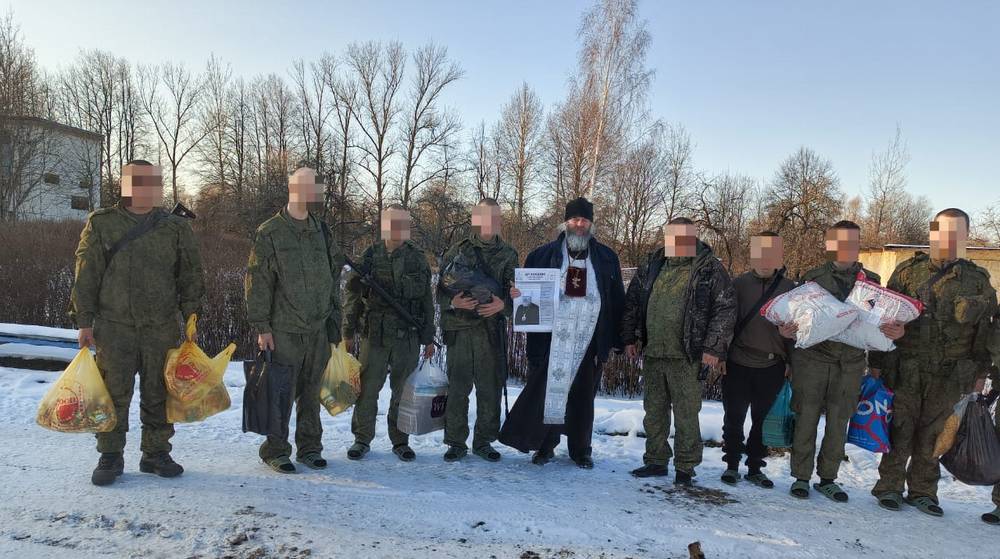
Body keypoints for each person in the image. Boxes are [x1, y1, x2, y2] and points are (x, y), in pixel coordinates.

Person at [69, 160, 204, 486]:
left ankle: (155, 453)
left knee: (159, 391)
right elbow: (86, 272)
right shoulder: (103, 223)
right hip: (115, 327)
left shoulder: (175, 227)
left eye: (154, 183)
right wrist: (84, 321)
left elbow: (190, 274)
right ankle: (111, 455)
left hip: (161, 326)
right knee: (114, 394)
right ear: (126, 186)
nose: (150, 189)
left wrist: (191, 317)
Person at [870, 208, 997, 516]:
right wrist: (877, 361)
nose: (949, 239)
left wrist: (980, 373)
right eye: (943, 231)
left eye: (957, 232)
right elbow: (881, 317)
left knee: (936, 434)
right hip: (907, 367)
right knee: (901, 428)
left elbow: (985, 330)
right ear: (933, 233)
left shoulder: (978, 280)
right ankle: (889, 486)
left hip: (951, 374)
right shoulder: (906, 272)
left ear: (965, 236)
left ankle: (923, 491)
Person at [499, 197, 625, 468]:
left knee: (582, 397)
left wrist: (615, 340)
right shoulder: (542, 255)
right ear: (565, 222)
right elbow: (524, 297)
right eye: (575, 219)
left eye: (585, 220)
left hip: (588, 339)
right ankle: (545, 447)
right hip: (550, 341)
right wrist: (517, 295)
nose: (580, 225)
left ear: (591, 224)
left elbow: (616, 300)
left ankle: (581, 449)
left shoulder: (605, 258)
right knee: (549, 394)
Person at [781, 220, 899, 502]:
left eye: (852, 243)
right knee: (806, 418)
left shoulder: (871, 281)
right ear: (828, 245)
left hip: (850, 363)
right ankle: (801, 476)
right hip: (813, 360)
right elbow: (799, 316)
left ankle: (828, 478)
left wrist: (878, 361)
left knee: (838, 421)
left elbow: (877, 323)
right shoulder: (812, 277)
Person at [620, 217, 737, 485]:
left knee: (686, 414)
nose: (679, 242)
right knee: (654, 411)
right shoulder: (652, 264)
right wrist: (629, 337)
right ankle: (656, 460)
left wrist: (713, 347)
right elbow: (633, 302)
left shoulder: (708, 267)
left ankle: (685, 466)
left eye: (685, 237)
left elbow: (725, 308)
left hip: (689, 355)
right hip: (653, 352)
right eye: (674, 236)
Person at [245, 167, 344, 474]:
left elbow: (332, 277)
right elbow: (257, 281)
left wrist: (333, 325)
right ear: (292, 189)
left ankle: (310, 448)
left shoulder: (322, 230)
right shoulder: (271, 231)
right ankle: (275, 450)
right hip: (284, 328)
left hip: (316, 327)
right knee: (281, 392)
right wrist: (262, 327)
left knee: (312, 391)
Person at [343, 205, 436, 462]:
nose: (398, 228)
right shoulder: (370, 257)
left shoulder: (417, 258)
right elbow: (353, 298)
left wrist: (428, 336)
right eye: (393, 222)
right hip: (376, 335)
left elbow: (427, 301)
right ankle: (362, 439)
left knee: (403, 392)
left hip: (407, 336)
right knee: (367, 390)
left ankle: (400, 440)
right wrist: (347, 331)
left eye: (403, 223)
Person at [438, 198, 518, 462]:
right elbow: (439, 290)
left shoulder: (508, 254)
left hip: (490, 332)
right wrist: (453, 302)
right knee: (458, 389)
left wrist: (502, 306)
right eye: (483, 216)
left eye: (494, 217)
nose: (489, 222)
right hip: (460, 331)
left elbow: (516, 296)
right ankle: (456, 442)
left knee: (489, 389)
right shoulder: (457, 251)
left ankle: (484, 441)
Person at [717, 231, 796, 488]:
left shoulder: (790, 290)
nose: (765, 259)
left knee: (762, 421)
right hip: (738, 363)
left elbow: (799, 331)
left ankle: (755, 468)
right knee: (734, 418)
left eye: (771, 253)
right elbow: (723, 322)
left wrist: (791, 360)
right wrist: (720, 354)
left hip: (772, 366)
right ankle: (731, 464)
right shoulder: (738, 285)